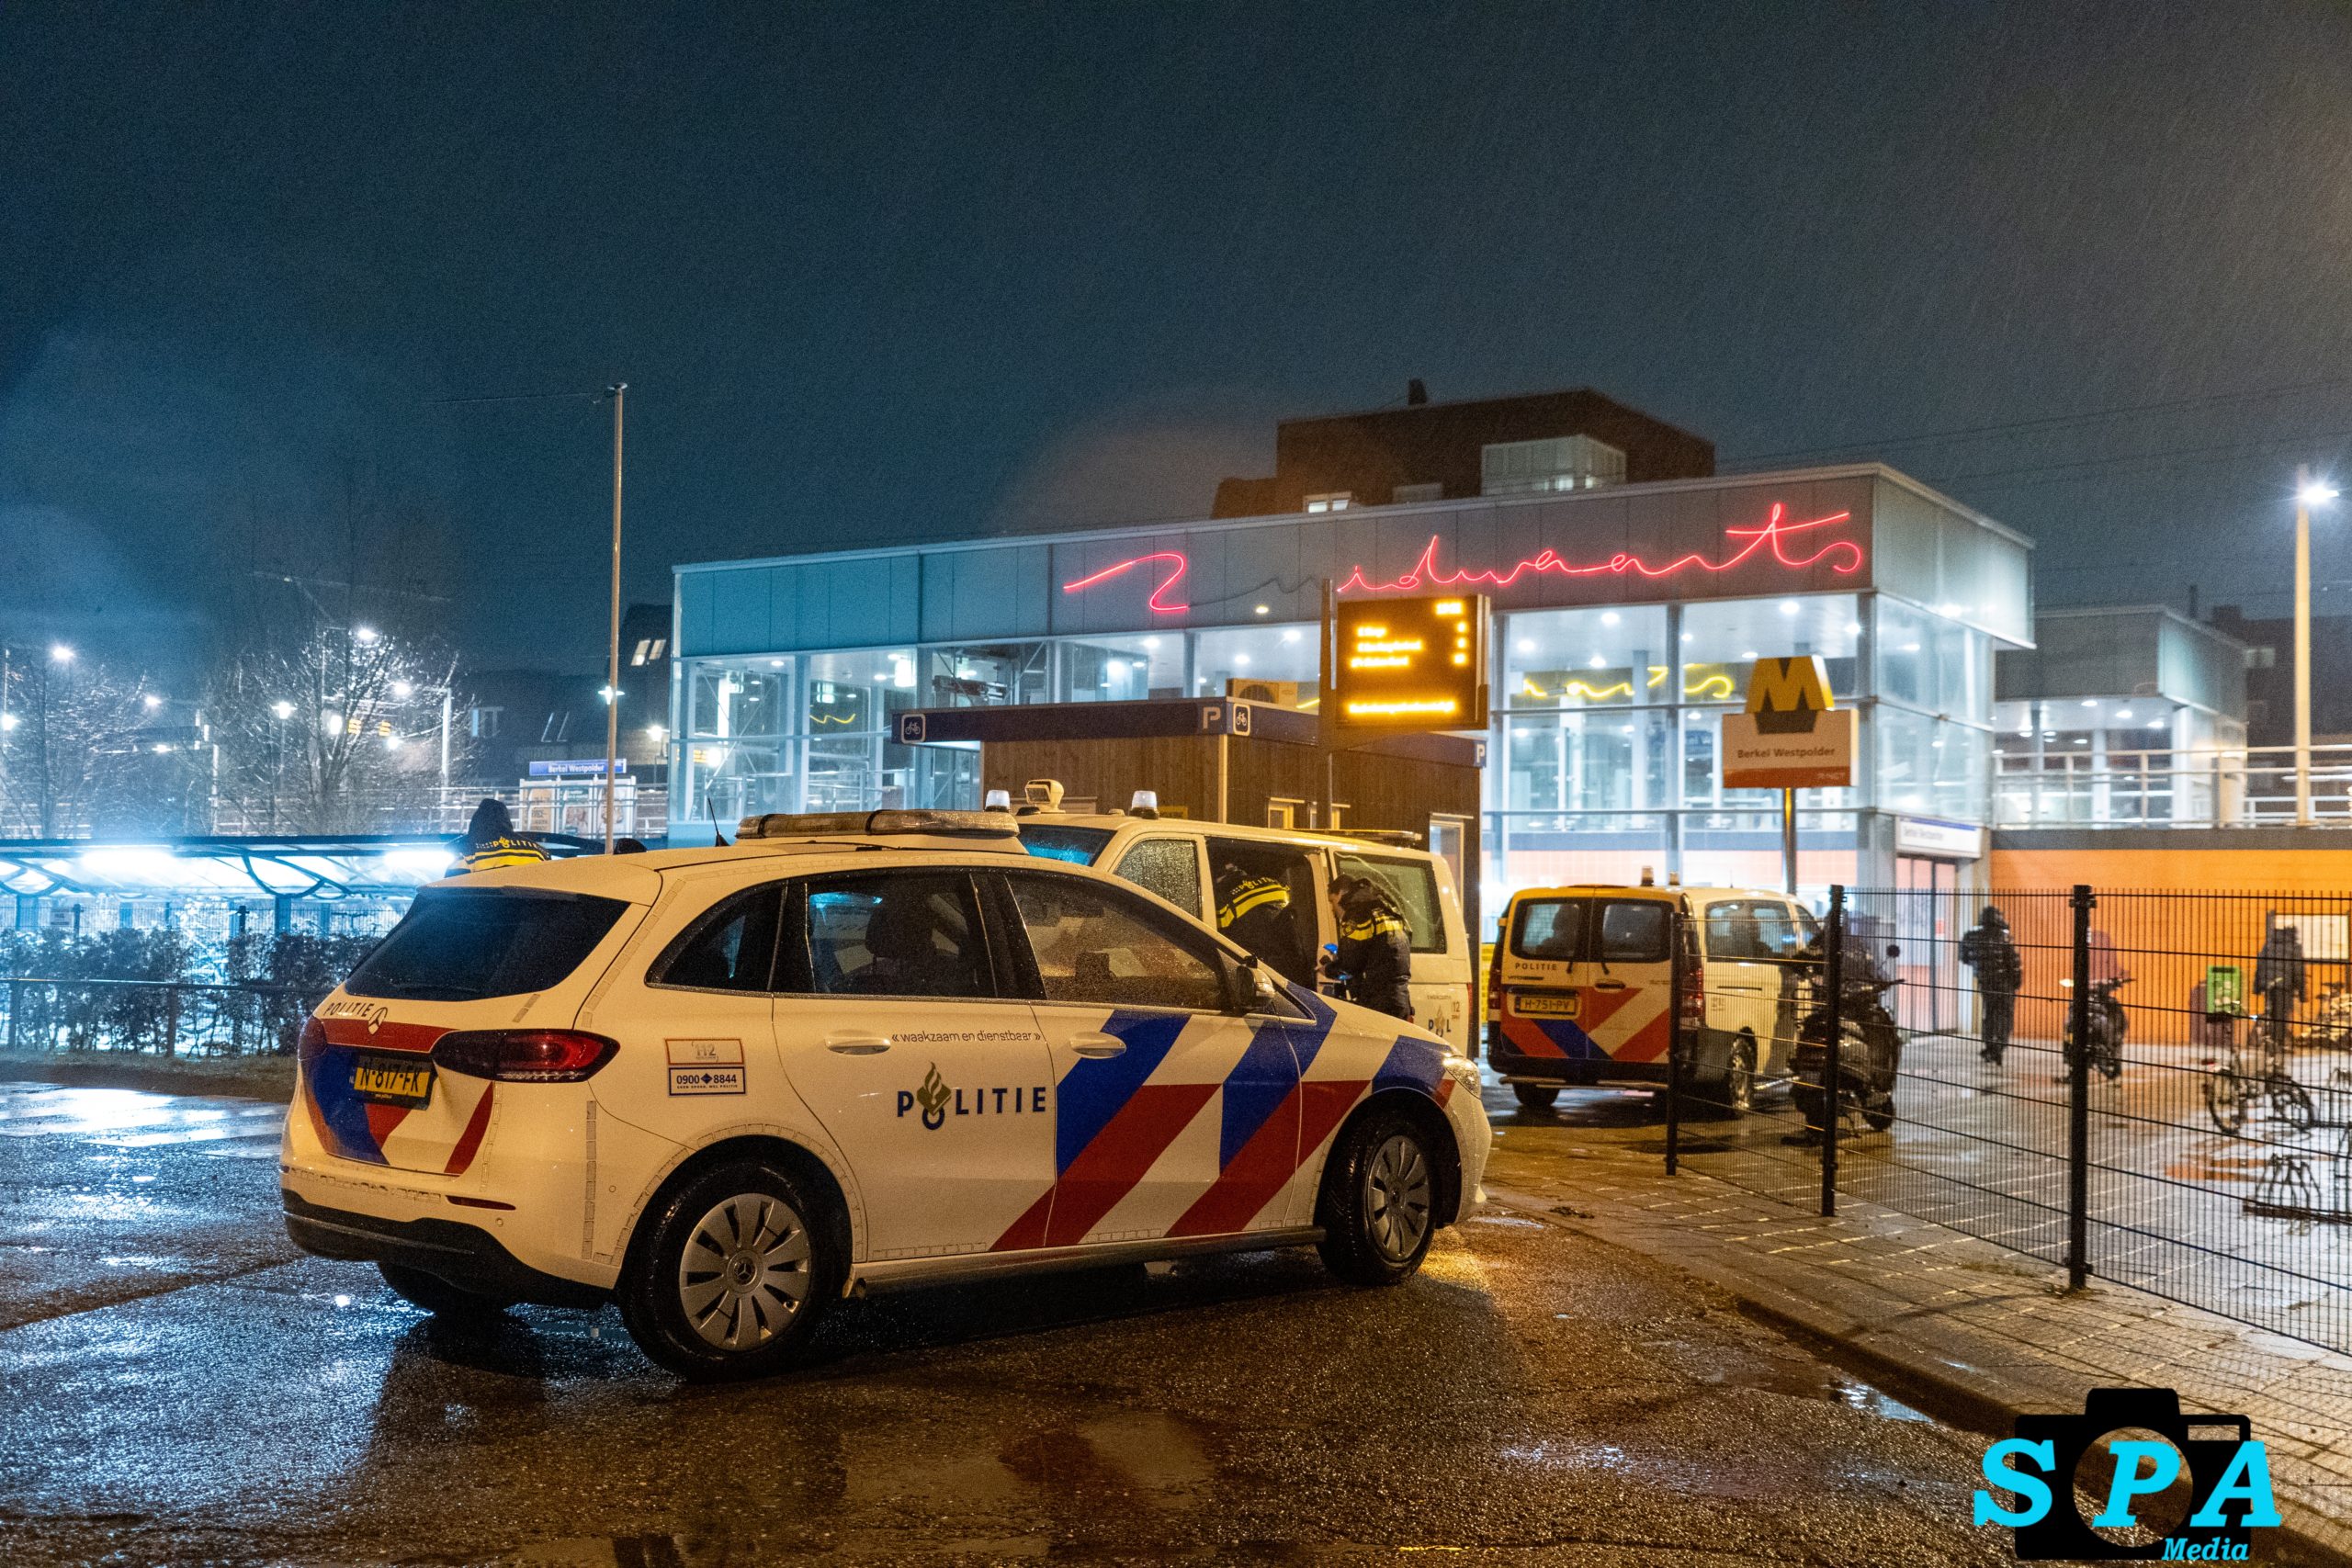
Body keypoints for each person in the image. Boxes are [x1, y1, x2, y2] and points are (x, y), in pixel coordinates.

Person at [1322, 873, 1414, 1021]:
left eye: (1332, 901)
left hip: (1377, 1002)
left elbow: (1349, 966)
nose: (1333, 909)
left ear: (1341, 893)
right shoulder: (1386, 909)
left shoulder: (1358, 913)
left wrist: (1326, 969)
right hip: (1399, 999)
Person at [1216, 862, 1307, 981]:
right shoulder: (1272, 882)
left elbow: (1218, 934)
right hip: (1290, 962)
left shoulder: (1223, 896)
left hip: (1258, 968)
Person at [1958, 905, 2021, 1066]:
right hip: (2004, 983)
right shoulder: (2004, 937)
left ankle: (1989, 1044)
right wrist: (2016, 982)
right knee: (2004, 1015)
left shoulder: (1971, 936)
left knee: (1989, 1013)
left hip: (1985, 981)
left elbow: (1964, 957)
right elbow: (2013, 963)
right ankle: (1998, 1047)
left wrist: (1979, 967)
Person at [455, 798, 549, 874]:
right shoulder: (538, 852)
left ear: (476, 822)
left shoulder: (467, 853)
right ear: (507, 821)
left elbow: (450, 892)